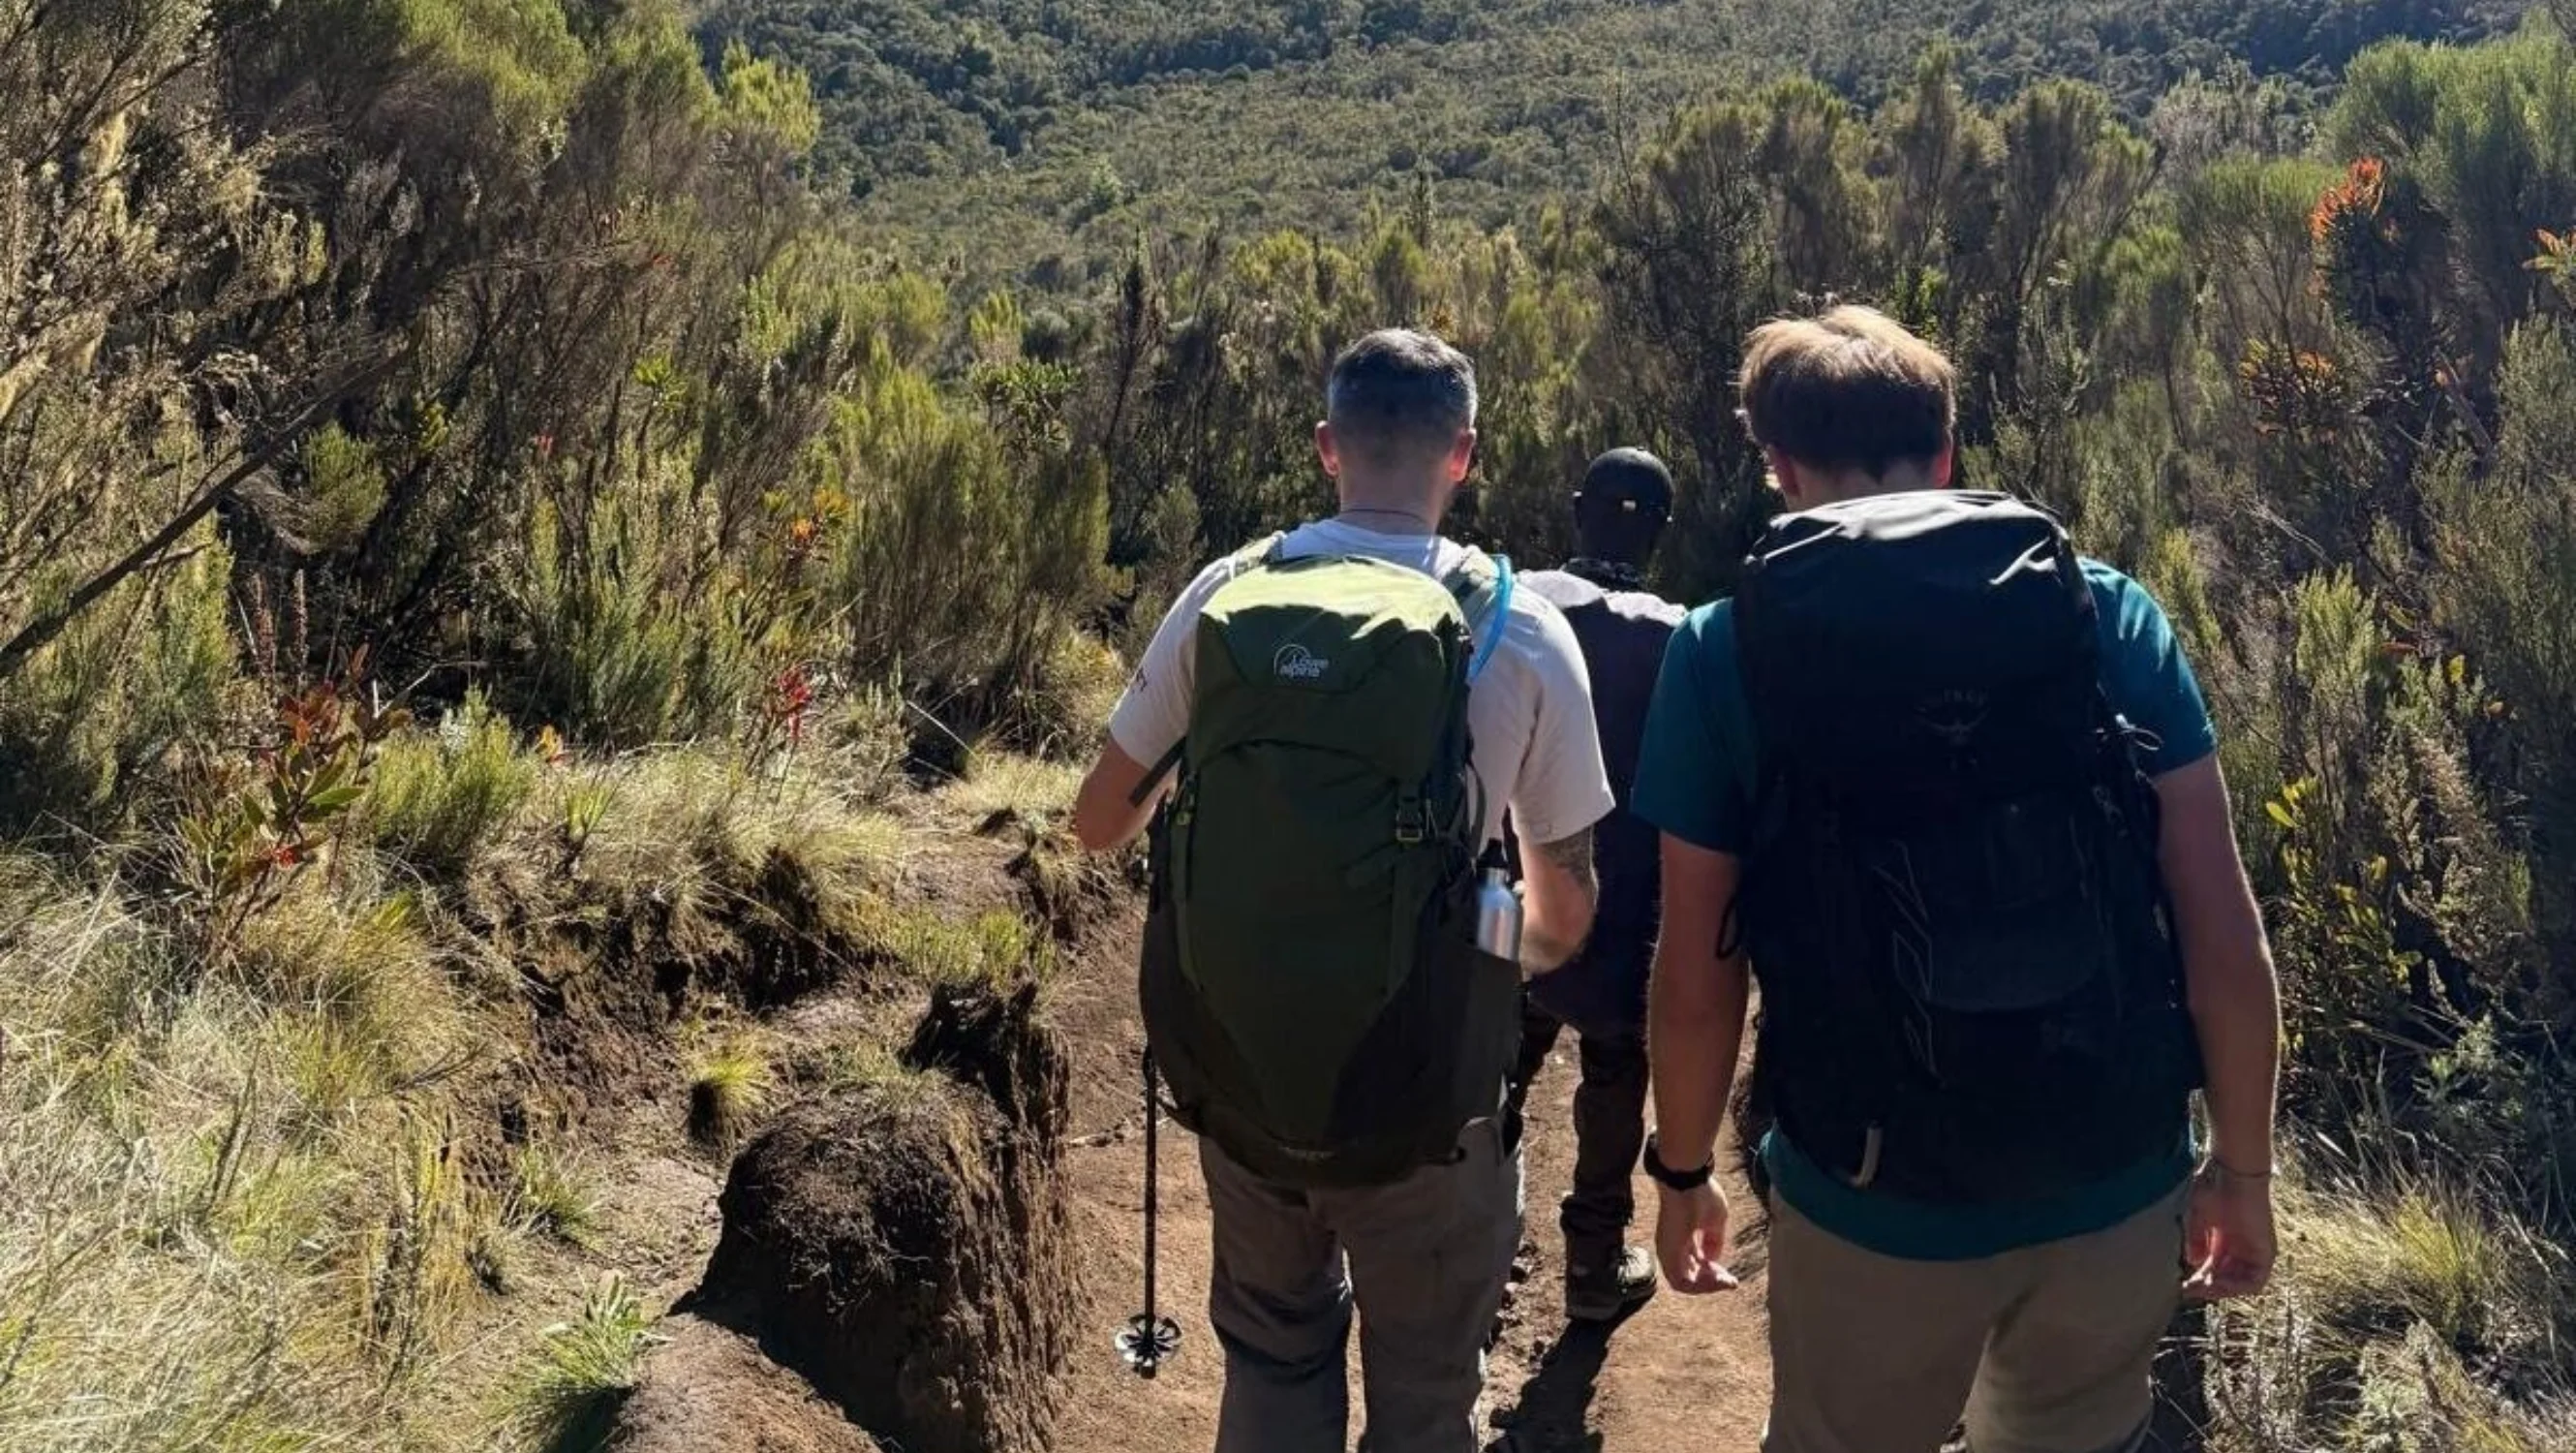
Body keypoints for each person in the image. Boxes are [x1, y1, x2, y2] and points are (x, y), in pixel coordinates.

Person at [1634, 305, 2284, 1453]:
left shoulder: (1721, 650)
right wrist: (2240, 1166)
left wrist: (1680, 1167)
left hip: (1873, 1195)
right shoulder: (2106, 614)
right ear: (1942, 454)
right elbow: (2219, 933)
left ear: (1777, 466)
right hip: (2113, 1167)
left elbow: (1698, 974)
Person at [1071, 327, 1613, 1453]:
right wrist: (1479, 938)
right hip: (1426, 1107)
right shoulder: (1520, 631)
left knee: (1272, 1357)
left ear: (1327, 448)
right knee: (1423, 1400)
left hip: (1241, 1083)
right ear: (1462, 455)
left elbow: (1094, 824)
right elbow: (1564, 921)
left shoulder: (1229, 592)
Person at [1500, 448, 1685, 1324]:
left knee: (1496, 1066)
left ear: (1576, 511)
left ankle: (1468, 1248)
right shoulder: (1680, 636)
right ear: (1660, 533)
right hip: (1627, 909)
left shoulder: (1509, 601)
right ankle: (1593, 1266)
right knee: (1614, 1071)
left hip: (1515, 894)